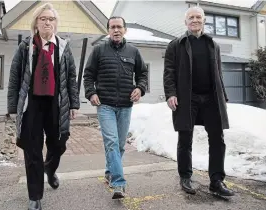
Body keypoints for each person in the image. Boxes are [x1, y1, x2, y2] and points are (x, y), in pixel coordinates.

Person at [7, 3, 80, 210]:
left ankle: (50, 168)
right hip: (32, 104)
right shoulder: (25, 47)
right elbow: (14, 78)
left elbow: (71, 78)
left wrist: (74, 103)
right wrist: (13, 107)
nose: (47, 22)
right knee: (32, 150)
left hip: (57, 103)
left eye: (51, 19)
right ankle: (35, 197)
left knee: (59, 143)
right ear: (36, 23)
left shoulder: (64, 47)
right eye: (43, 19)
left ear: (56, 24)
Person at [163, 6, 235, 197]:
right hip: (187, 98)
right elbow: (169, 72)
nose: (195, 20)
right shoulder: (176, 45)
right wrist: (171, 93)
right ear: (185, 22)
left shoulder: (213, 44)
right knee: (185, 138)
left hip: (211, 98)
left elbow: (219, 73)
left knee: (217, 139)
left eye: (198, 17)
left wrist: (223, 97)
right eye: (191, 17)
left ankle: (217, 181)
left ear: (204, 21)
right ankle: (185, 177)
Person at [83, 16, 148, 199]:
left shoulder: (133, 51)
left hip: (126, 105)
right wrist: (91, 93)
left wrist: (140, 88)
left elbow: (143, 73)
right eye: (113, 27)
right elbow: (88, 75)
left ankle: (109, 172)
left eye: (119, 27)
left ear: (125, 30)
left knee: (119, 145)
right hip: (105, 105)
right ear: (108, 31)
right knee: (111, 142)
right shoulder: (99, 50)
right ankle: (118, 183)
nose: (116, 30)